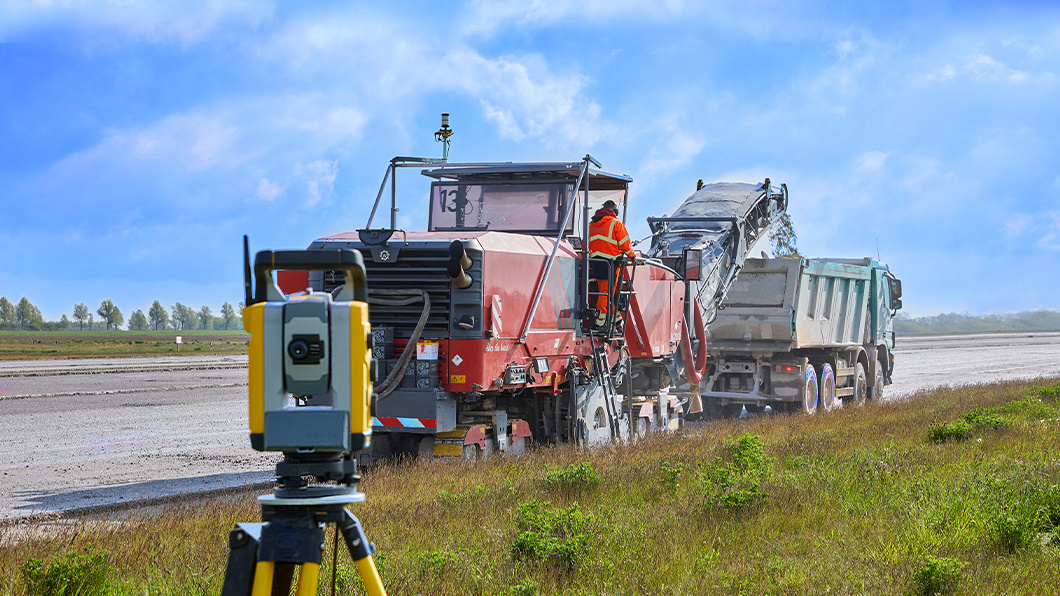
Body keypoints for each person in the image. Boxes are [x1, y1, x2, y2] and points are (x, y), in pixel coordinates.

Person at [588, 199, 635, 329]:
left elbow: (586, 243)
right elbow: (625, 244)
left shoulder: (591, 224)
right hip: (611, 263)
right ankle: (600, 321)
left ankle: (616, 318)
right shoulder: (616, 224)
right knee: (607, 293)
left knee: (608, 292)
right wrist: (633, 256)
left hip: (596, 263)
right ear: (614, 211)